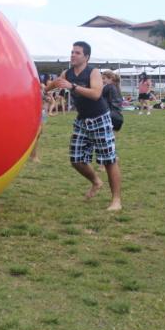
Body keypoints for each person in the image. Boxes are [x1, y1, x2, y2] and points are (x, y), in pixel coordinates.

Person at [47, 41, 122, 211]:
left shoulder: (93, 72)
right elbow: (54, 84)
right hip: (82, 120)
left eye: (77, 53)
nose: (73, 55)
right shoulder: (67, 73)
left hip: (100, 118)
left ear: (86, 57)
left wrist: (72, 86)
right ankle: (96, 181)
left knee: (109, 160)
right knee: (76, 160)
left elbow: (96, 94)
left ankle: (116, 201)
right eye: (72, 52)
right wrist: (42, 90)